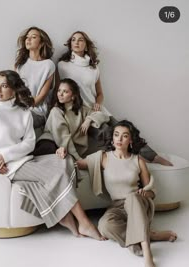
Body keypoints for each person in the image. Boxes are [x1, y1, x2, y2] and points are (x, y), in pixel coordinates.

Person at [0, 70, 104, 240]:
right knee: (58, 172)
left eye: (4, 86)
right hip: (7, 167)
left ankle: (65, 217)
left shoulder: (23, 112)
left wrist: (6, 154)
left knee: (64, 161)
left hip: (24, 161)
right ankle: (84, 222)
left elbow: (29, 143)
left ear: (15, 89)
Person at [77, 120, 177, 267]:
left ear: (130, 140)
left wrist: (145, 193)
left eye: (124, 136)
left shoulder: (138, 161)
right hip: (117, 206)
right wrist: (61, 152)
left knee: (132, 199)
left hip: (138, 203)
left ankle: (147, 253)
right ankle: (151, 235)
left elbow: (151, 191)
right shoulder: (103, 158)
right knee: (104, 226)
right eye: (116, 135)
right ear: (112, 138)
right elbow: (78, 164)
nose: (119, 139)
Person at [57, 31, 173, 166]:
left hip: (97, 111)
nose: (76, 42)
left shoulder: (93, 68)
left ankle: (153, 157)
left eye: (80, 40)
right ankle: (128, 161)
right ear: (70, 44)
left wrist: (97, 104)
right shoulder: (62, 66)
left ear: (86, 45)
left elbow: (100, 93)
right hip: (80, 114)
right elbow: (58, 91)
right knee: (108, 134)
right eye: (73, 40)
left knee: (127, 131)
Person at [0, 26, 55, 129]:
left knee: (10, 116)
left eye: (33, 37)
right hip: (14, 104)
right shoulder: (20, 64)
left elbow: (39, 99)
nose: (28, 39)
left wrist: (16, 106)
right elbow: (12, 88)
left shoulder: (48, 65)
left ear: (42, 43)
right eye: (27, 37)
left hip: (34, 111)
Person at [34, 78, 109, 159]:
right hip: (51, 142)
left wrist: (88, 120)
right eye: (59, 90)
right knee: (52, 153)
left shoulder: (82, 110)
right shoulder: (56, 111)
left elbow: (104, 116)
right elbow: (63, 136)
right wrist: (76, 157)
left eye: (65, 91)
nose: (60, 94)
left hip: (68, 147)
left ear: (73, 96)